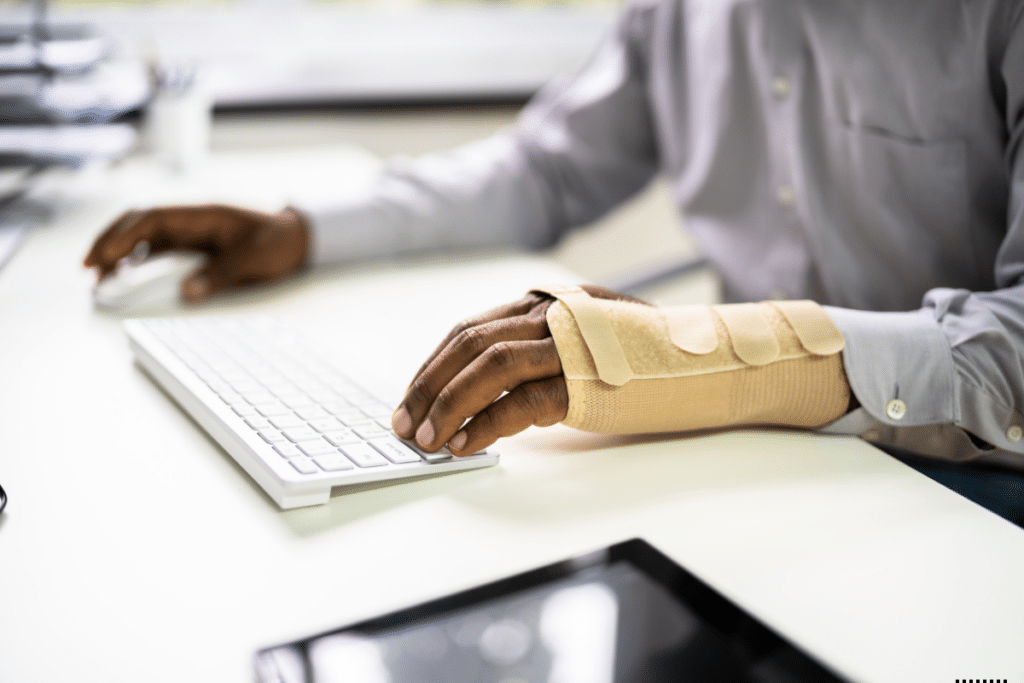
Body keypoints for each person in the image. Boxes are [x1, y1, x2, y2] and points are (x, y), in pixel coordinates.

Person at [85, 0, 1024, 478]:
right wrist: (304, 229)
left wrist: (695, 356)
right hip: (742, 454)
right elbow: (548, 170)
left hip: (963, 478)